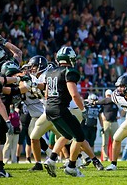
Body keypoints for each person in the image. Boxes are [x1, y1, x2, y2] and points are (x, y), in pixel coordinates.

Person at [43, 46, 103, 178]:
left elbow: (47, 95)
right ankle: (71, 167)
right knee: (80, 137)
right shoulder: (69, 72)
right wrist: (83, 110)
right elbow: (75, 95)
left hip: (49, 109)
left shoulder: (50, 72)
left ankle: (52, 159)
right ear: (71, 59)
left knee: (67, 135)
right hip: (60, 109)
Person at [100, 89, 122, 161]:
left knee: (115, 141)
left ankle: (113, 158)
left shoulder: (115, 102)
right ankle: (105, 158)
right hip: (106, 123)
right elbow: (99, 112)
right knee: (104, 142)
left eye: (109, 95)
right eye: (107, 95)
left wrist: (120, 116)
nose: (108, 97)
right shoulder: (103, 103)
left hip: (114, 122)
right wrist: (102, 117)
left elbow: (123, 109)